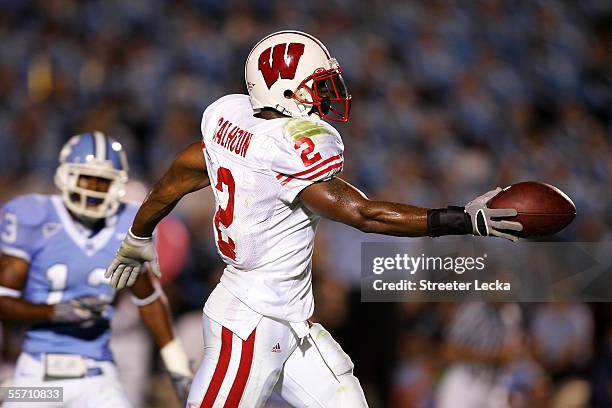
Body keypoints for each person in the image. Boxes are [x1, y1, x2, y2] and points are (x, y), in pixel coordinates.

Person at [105, 30, 522, 407]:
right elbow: (365, 214)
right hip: (250, 320)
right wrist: (465, 219)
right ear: (284, 92)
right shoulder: (288, 149)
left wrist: (140, 233)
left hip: (293, 322)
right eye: (316, 87)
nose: (326, 96)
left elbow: (177, 176)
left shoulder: (232, 123)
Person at [0, 132, 192, 407]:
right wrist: (53, 312)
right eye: (85, 178)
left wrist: (177, 366)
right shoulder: (33, 218)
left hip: (96, 373)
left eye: (102, 181)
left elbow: (148, 298)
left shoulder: (126, 225)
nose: (92, 189)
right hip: (37, 374)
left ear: (117, 186)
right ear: (66, 177)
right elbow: (3, 300)